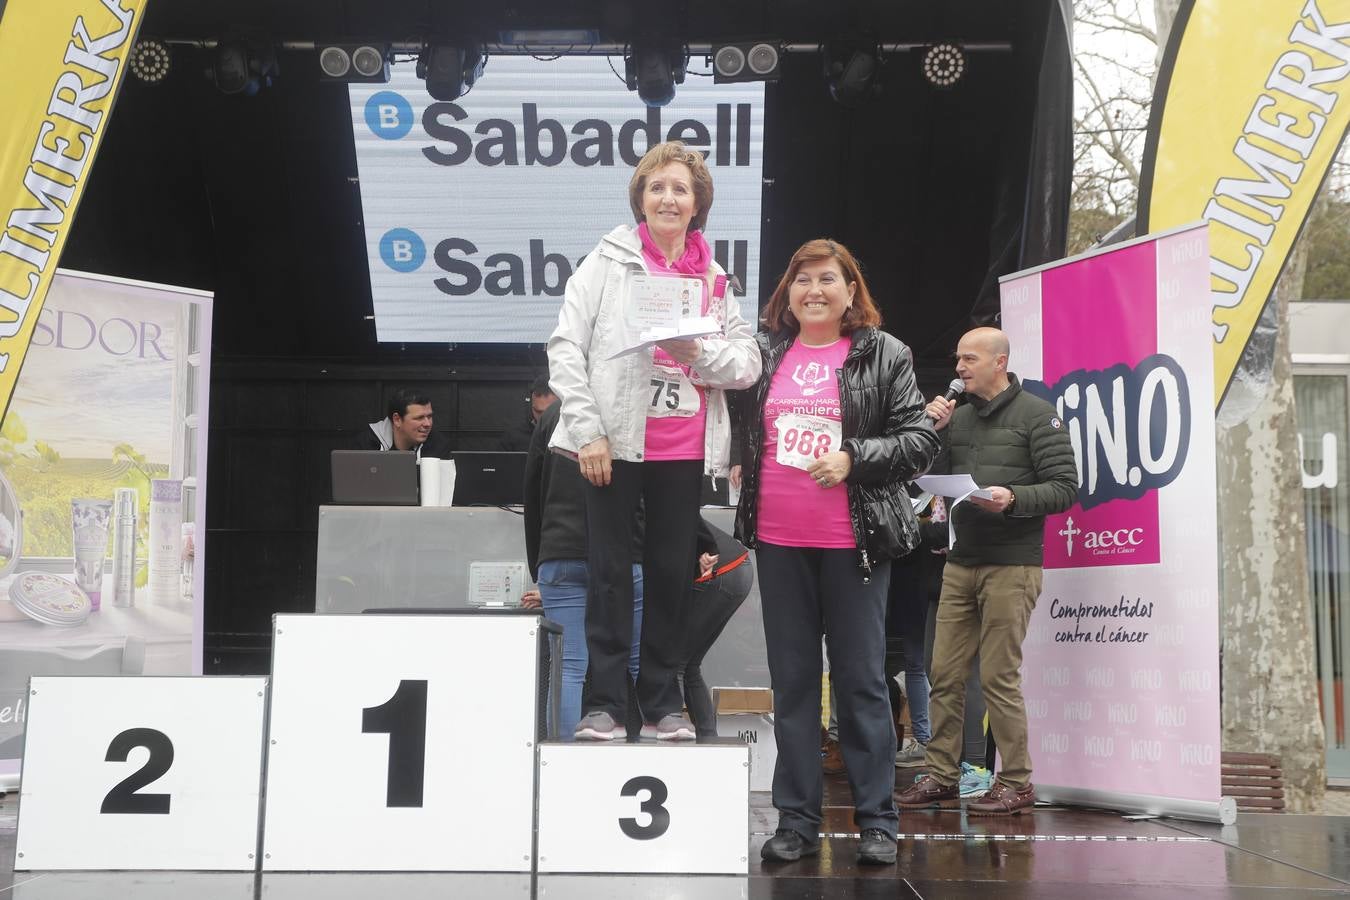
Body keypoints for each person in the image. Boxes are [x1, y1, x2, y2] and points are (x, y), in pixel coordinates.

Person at [734, 239, 939, 866]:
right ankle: (796, 820)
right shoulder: (765, 353)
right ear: (786, 294)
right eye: (802, 281)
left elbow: (919, 440)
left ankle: (878, 819)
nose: (813, 291)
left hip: (855, 544)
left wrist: (855, 458)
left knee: (860, 684)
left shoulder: (883, 353)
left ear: (851, 291)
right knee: (792, 686)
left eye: (828, 279)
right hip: (778, 540)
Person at [547, 140, 761, 742]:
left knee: (671, 573)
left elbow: (746, 363)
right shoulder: (607, 261)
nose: (668, 198)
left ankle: (664, 701)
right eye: (657, 187)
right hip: (613, 443)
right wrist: (588, 431)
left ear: (699, 205)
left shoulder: (714, 279)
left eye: (681, 189)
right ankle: (606, 705)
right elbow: (566, 348)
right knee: (610, 572)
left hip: (684, 446)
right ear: (641, 198)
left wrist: (699, 351)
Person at [896, 326, 1077, 816]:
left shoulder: (1038, 416)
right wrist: (929, 431)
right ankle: (942, 774)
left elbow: (1065, 487)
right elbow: (922, 476)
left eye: (969, 359)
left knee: (998, 675)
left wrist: (1014, 499)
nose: (959, 368)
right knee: (944, 674)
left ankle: (1016, 780)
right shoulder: (960, 418)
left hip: (1012, 564)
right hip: (961, 561)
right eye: (958, 359)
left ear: (1000, 362)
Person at [522, 398, 642, 740]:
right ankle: (642, 756)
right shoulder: (630, 407)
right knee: (636, 665)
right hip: (626, 551)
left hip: (561, 550)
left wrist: (541, 560)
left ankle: (560, 760)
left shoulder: (554, 415)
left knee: (568, 667)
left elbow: (532, 491)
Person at [680, 518, 754, 739]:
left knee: (674, 664)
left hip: (719, 570)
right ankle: (709, 739)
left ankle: (673, 737)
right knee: (689, 665)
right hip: (739, 565)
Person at [363, 388, 451, 459]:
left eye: (429, 416)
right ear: (397, 419)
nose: (427, 424)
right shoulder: (366, 445)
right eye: (419, 418)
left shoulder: (438, 445)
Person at [500, 375, 557, 451]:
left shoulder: (572, 434)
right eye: (538, 412)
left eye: (548, 412)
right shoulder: (514, 436)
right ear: (531, 405)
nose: (543, 418)